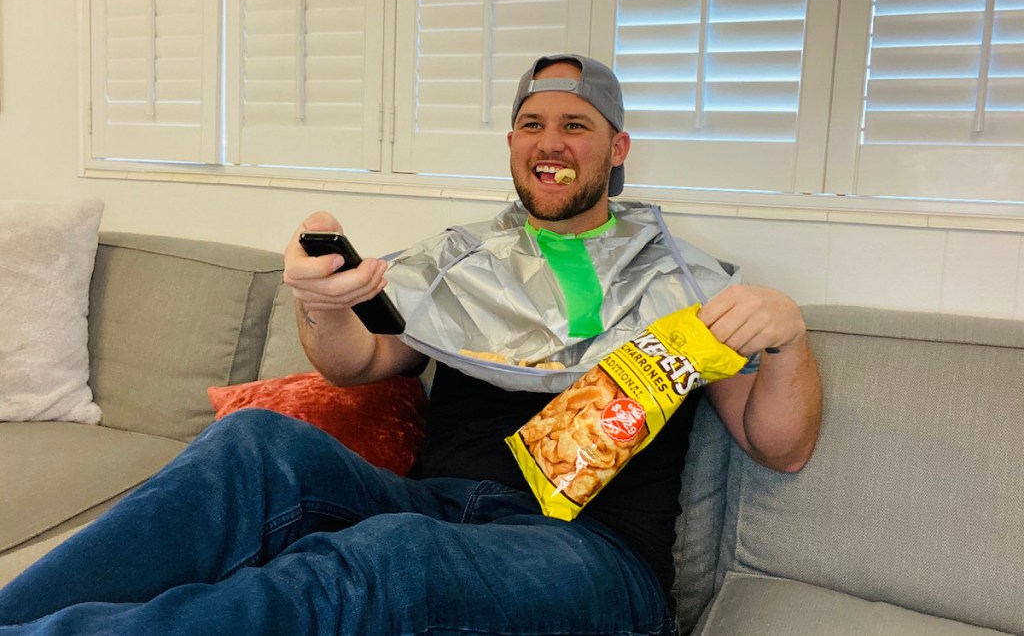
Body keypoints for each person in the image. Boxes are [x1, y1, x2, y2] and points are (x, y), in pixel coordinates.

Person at [0, 54, 821, 635]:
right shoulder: (464, 260)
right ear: (510, 147)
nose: (550, 142)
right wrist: (318, 299)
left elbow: (777, 446)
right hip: (437, 506)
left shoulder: (691, 279)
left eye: (577, 124)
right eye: (531, 123)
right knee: (251, 442)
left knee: (388, 555)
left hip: (591, 559)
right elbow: (358, 360)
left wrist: (786, 337)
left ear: (618, 148)